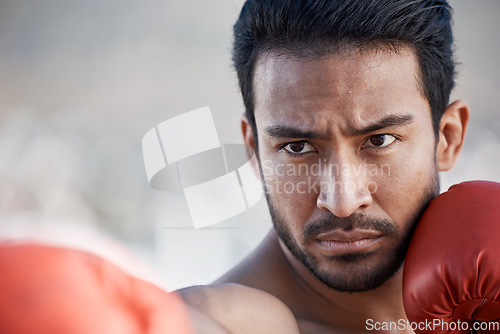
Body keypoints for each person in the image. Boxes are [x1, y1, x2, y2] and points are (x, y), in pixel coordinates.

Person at [180, 0, 469, 333]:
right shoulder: (239, 320)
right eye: (297, 147)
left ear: (447, 138)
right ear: (255, 150)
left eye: (379, 141)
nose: (342, 202)